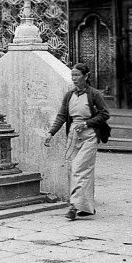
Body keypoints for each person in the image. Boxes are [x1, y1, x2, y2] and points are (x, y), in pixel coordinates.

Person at [44, 63, 111, 220]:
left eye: (77, 75)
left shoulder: (94, 94)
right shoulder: (69, 95)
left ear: (86, 76)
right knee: (79, 170)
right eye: (72, 75)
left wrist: (87, 123)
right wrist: (51, 132)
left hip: (89, 135)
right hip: (73, 135)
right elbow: (62, 116)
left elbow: (104, 114)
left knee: (79, 168)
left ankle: (74, 206)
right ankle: (86, 207)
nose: (74, 78)